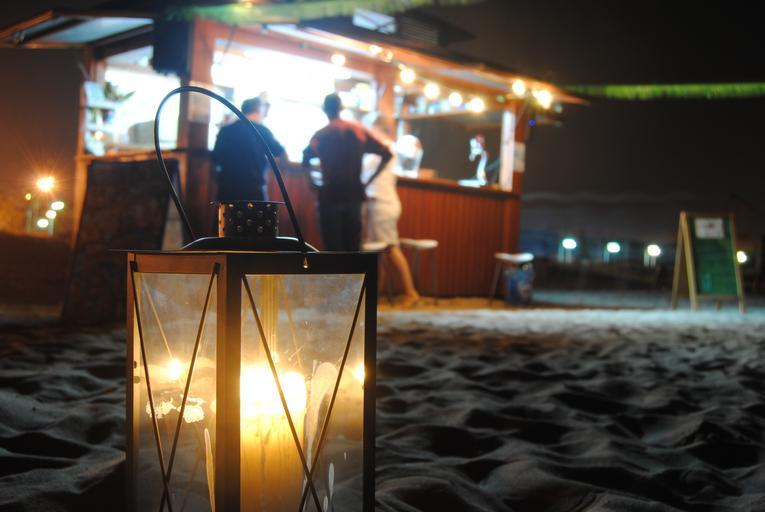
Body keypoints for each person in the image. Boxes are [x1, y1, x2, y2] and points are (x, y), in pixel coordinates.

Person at [302, 93, 392, 251]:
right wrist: (368, 181)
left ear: (325, 110)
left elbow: (305, 158)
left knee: (332, 251)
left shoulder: (322, 135)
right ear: (341, 108)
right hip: (354, 195)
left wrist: (312, 183)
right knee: (353, 251)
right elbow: (387, 154)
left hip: (329, 195)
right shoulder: (358, 131)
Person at [362, 114, 420, 307]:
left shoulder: (383, 147)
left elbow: (364, 173)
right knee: (381, 250)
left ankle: (411, 292)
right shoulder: (386, 148)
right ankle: (375, 295)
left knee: (390, 248)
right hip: (382, 203)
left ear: (376, 127)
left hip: (382, 204)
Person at [212, 96, 286, 202]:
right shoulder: (262, 131)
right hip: (253, 189)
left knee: (226, 213)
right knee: (257, 213)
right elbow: (282, 154)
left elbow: (215, 159)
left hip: (226, 188)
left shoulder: (225, 130)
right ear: (258, 109)